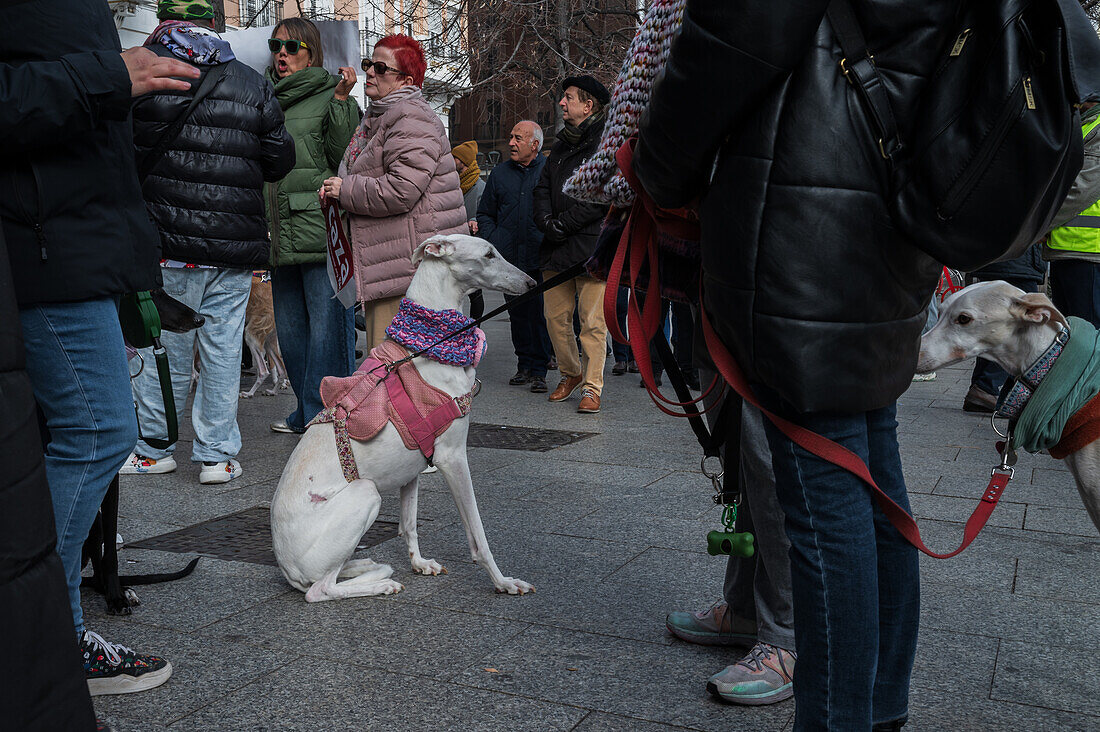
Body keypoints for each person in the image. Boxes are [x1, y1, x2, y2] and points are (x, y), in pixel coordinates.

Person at [634, 3, 964, 728]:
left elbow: (735, 31)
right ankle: (877, 709)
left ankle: (839, 715)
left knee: (823, 501)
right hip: (888, 203)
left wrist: (654, 166)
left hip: (804, 209)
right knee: (874, 473)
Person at [0, 0, 202, 698]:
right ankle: (43, 638)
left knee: (74, 434)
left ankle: (44, 635)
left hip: (79, 242)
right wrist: (107, 78)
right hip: (47, 247)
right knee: (97, 431)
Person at [123, 1, 295, 484]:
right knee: (221, 352)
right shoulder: (249, 80)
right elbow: (279, 160)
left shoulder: (140, 71)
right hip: (232, 246)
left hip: (164, 242)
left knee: (168, 350)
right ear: (210, 21)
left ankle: (155, 447)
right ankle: (216, 456)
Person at [321, 35, 466, 349]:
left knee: (396, 374)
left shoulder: (410, 117)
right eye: (369, 64)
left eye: (381, 68)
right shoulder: (383, 117)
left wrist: (346, 190)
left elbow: (402, 190)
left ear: (406, 81)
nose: (371, 72)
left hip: (409, 274)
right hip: (396, 268)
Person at [263, 17, 360, 435]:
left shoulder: (330, 95)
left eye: (292, 46)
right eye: (276, 45)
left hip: (320, 231)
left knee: (327, 332)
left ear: (312, 53)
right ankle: (306, 413)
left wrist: (341, 102)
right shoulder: (264, 98)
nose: (281, 53)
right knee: (291, 333)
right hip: (276, 232)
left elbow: (345, 158)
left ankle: (333, 415)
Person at [534, 75, 611, 414]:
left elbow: (601, 196)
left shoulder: (606, 142)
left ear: (588, 104)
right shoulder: (562, 144)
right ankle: (571, 373)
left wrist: (563, 224)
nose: (562, 103)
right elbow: (541, 189)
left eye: (568, 98)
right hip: (555, 247)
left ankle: (592, 388)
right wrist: (547, 222)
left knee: (593, 324)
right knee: (554, 318)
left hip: (591, 248)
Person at [476, 121, 554, 393]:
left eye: (517, 138)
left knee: (540, 314)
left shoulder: (549, 171)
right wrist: (495, 238)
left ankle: (540, 369)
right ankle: (524, 364)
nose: (510, 142)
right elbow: (485, 212)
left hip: (541, 256)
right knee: (518, 314)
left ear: (534, 145)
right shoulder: (499, 174)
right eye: (510, 137)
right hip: (511, 258)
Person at [960, 247, 1046, 412]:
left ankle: (982, 388)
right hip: (1019, 262)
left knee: (993, 327)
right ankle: (986, 387)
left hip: (994, 259)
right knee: (1020, 329)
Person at [1044, 100, 1100, 329]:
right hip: (1071, 250)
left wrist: (1037, 225)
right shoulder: (1084, 124)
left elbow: (1081, 190)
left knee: (1087, 339)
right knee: (1074, 336)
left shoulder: (1095, 126)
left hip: (1087, 253)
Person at [452, 140, 486, 319]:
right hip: (454, 245)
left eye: (455, 157)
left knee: (475, 293)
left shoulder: (480, 187)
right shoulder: (452, 184)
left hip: (472, 246)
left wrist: (474, 220)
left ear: (463, 161)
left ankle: (474, 329)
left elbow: (485, 214)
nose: (452, 159)